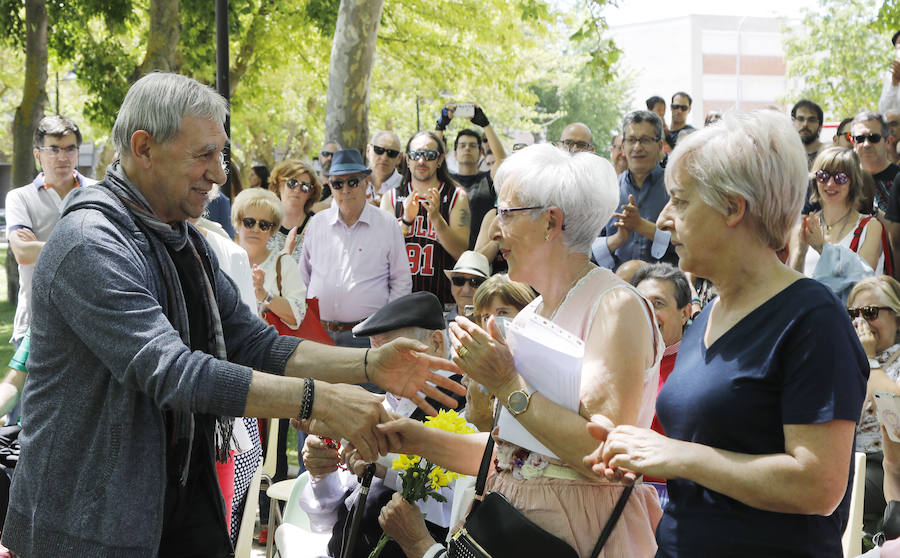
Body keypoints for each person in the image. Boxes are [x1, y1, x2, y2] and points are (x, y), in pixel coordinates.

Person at [1, 72, 465, 558]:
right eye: (204, 154)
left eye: (221, 155)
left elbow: (255, 342)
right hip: (91, 521)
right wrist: (321, 402)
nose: (221, 174)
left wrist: (370, 366)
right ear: (144, 148)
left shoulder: (185, 242)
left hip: (175, 495)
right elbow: (173, 371)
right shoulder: (89, 242)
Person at [585, 110, 868, 557]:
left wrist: (675, 456)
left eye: (680, 200)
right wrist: (633, 449)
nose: (663, 220)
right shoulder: (711, 312)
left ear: (733, 207)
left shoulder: (812, 317)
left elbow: (818, 486)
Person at [378, 142, 664, 558]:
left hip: (579, 536)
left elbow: (600, 456)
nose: (495, 229)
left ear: (551, 222)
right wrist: (409, 438)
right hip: (512, 529)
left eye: (506, 214)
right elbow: (511, 455)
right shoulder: (529, 314)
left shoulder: (615, 307)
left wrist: (505, 381)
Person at [295, 291, 465, 558]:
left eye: (396, 353)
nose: (384, 369)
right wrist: (321, 471)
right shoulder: (377, 407)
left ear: (435, 343)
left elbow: (454, 508)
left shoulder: (466, 408)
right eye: (376, 357)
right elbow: (324, 514)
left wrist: (381, 464)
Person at [301, 149, 412, 348]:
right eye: (338, 183)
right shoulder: (317, 223)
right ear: (330, 186)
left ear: (366, 183)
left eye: (352, 182)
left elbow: (401, 280)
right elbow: (304, 278)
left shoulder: (387, 224)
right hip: (318, 334)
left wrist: (387, 327)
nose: (345, 190)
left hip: (369, 336)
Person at [5, 115, 95, 350]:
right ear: (38, 155)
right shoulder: (20, 198)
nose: (63, 157)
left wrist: (41, 247)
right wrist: (88, 246)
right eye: (53, 149)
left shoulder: (100, 193)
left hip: (91, 325)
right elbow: (24, 253)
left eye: (69, 149)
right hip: (35, 326)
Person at [381, 131, 471, 305]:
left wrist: (437, 219)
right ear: (407, 159)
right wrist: (406, 220)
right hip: (398, 303)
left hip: (441, 303)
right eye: (415, 155)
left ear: (440, 160)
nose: (421, 161)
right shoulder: (391, 197)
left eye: (429, 155)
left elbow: (462, 252)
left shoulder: (456, 196)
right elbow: (381, 253)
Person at [629, 263, 692, 506]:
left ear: (685, 313)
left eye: (658, 303)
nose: (648, 312)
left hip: (672, 497)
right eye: (641, 303)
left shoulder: (697, 366)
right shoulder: (616, 359)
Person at [846, 276, 900, 536]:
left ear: (897, 319)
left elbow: (895, 413)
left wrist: (870, 361)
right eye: (853, 314)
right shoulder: (847, 362)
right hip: (847, 457)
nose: (861, 322)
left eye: (870, 312)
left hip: (884, 465)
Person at [592, 110, 676, 271]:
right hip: (617, 287)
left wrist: (641, 226)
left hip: (664, 286)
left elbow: (690, 242)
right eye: (631, 140)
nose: (637, 147)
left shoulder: (675, 188)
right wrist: (617, 239)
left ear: (659, 146)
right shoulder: (608, 189)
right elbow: (588, 249)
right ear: (623, 146)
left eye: (644, 140)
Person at [794, 147, 885, 275]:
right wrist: (800, 253)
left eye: (840, 177)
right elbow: (793, 283)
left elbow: (863, 278)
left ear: (853, 183)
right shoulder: (806, 226)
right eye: (823, 176)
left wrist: (823, 248)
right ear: (815, 181)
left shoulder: (871, 226)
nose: (830, 184)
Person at [267, 159, 323, 263]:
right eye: (292, 183)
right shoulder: (263, 222)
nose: (297, 190)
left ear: (311, 193)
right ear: (279, 184)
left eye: (305, 186)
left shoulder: (317, 226)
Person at [444, 250, 490, 323]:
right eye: (459, 280)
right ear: (451, 284)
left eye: (476, 282)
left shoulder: (501, 327)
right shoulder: (438, 326)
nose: (466, 290)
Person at [367, 130, 404, 204]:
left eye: (392, 153)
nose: (384, 157)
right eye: (379, 150)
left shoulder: (405, 186)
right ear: (368, 151)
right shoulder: (353, 182)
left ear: (399, 158)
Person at [791, 99, 824, 169]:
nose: (805, 124)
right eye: (800, 119)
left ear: (820, 126)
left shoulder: (827, 156)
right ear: (793, 123)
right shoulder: (787, 155)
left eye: (811, 120)